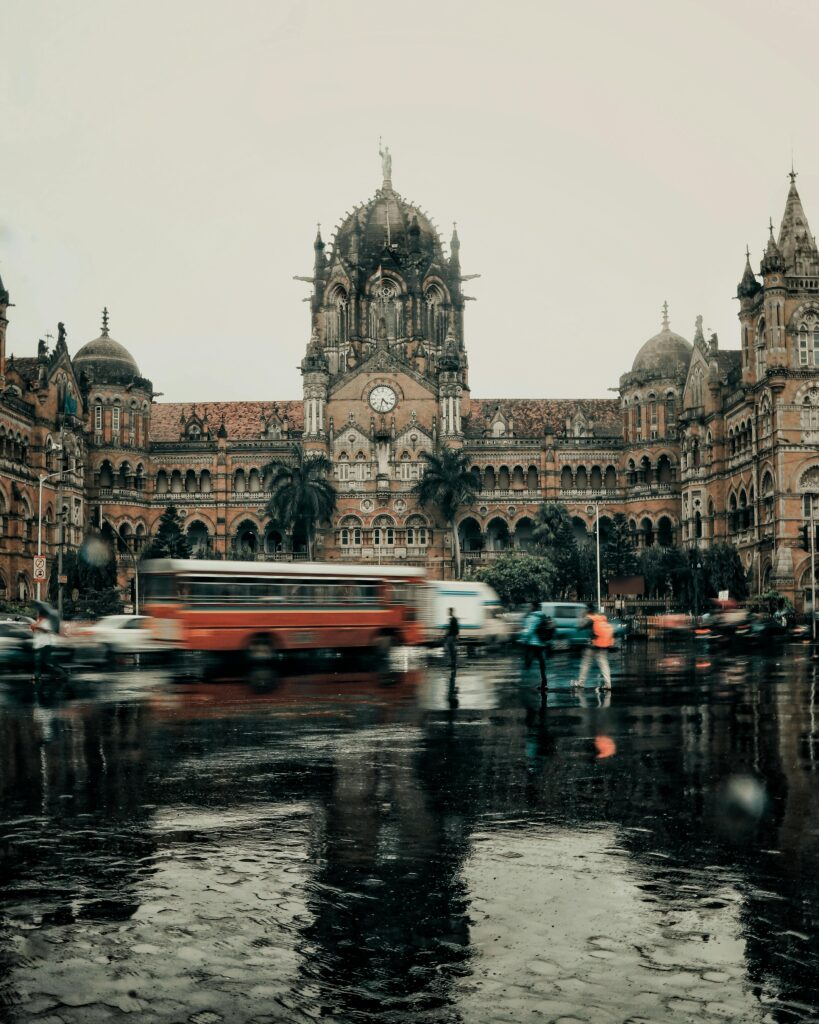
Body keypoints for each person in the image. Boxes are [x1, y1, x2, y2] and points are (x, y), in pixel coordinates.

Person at [572, 602, 614, 690]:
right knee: (604, 664)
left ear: (588, 610)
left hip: (593, 645)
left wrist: (582, 617)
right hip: (603, 645)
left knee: (586, 663)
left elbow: (579, 627)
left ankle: (580, 682)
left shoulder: (589, 618)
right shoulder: (601, 618)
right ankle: (608, 684)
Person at [522, 600, 553, 688]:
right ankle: (544, 683)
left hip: (532, 644)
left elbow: (529, 631)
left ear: (533, 607)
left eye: (530, 606)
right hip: (542, 644)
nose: (529, 608)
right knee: (542, 665)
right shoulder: (543, 617)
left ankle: (524, 682)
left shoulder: (532, 618)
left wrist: (523, 639)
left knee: (527, 663)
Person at [444, 607, 459, 673]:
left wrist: (457, 635)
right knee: (451, 650)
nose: (448, 612)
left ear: (451, 612)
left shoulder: (454, 619)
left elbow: (456, 628)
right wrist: (446, 635)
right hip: (450, 636)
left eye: (449, 611)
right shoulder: (450, 619)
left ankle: (454, 663)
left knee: (452, 650)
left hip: (452, 637)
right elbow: (449, 628)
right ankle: (452, 663)